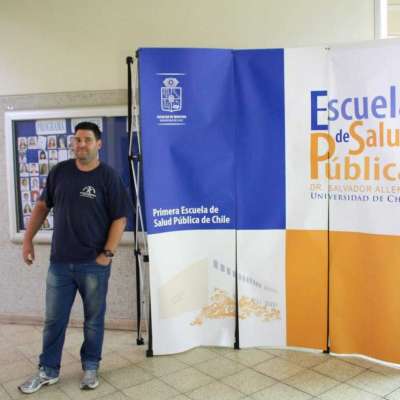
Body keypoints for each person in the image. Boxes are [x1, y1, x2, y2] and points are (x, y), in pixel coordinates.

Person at [19, 121, 131, 394]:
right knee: (53, 320)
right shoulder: (60, 172)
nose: (81, 144)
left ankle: (91, 366)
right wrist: (27, 240)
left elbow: (120, 218)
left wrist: (107, 254)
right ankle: (48, 370)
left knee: (93, 320)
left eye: (87, 140)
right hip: (60, 263)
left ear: (98, 144)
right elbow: (42, 206)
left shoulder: (108, 177)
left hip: (94, 264)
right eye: (77, 140)